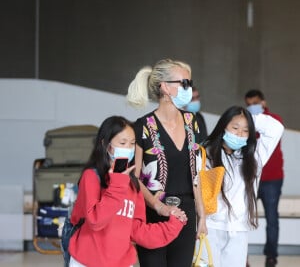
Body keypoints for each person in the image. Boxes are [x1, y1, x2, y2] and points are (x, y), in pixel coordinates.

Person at [68, 116, 187, 267]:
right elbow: (95, 221)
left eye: (132, 144)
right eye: (122, 143)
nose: (128, 149)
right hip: (86, 262)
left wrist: (174, 223)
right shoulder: (91, 177)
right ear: (105, 144)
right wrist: (118, 183)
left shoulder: (132, 184)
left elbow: (138, 231)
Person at [127, 59, 207, 267]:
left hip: (186, 214)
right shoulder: (142, 126)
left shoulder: (193, 122)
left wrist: (202, 215)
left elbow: (196, 174)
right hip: (153, 213)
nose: (188, 89)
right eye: (184, 84)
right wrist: (159, 206)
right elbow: (134, 177)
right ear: (164, 86)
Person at [199, 105, 284, 267]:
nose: (240, 134)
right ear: (224, 127)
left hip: (238, 229)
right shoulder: (207, 154)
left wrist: (249, 118)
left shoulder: (254, 157)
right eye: (235, 127)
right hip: (210, 227)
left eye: (246, 130)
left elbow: (276, 128)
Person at [245, 89, 284, 267]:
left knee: (271, 219)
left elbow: (267, 134)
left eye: (255, 103)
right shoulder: (245, 122)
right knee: (242, 217)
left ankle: (271, 256)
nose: (252, 107)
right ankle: (243, 257)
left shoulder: (275, 121)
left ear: (263, 103)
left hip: (272, 179)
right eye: (249, 104)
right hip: (251, 178)